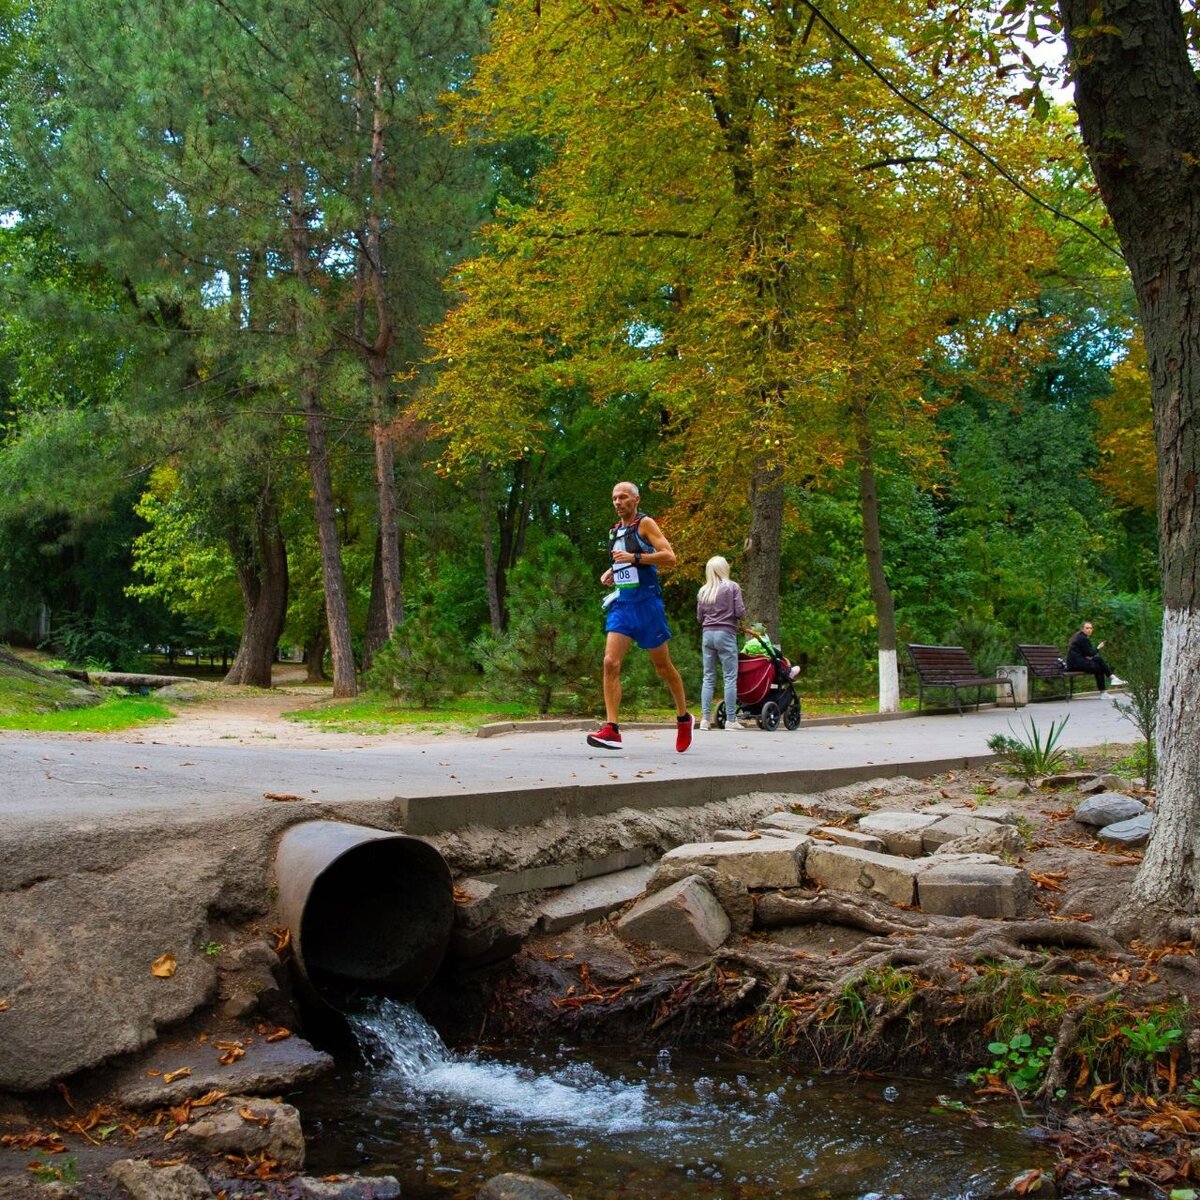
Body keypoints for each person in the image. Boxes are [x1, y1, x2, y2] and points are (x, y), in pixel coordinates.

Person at [587, 481, 693, 752]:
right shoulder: (614, 531)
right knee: (610, 662)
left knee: (663, 668)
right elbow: (623, 563)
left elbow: (670, 557)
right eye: (614, 498)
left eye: (623, 497)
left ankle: (683, 718)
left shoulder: (645, 524)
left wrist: (633, 558)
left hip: (648, 606)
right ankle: (612, 729)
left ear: (636, 500)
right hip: (623, 605)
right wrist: (612, 572)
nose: (617, 502)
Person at [696, 556, 746, 732]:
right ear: (724, 569)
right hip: (726, 633)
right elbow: (740, 611)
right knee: (730, 676)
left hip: (707, 634)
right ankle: (731, 720)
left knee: (708, 677)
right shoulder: (732, 587)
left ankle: (704, 719)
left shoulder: (703, 591)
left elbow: (699, 617)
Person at [1067, 620, 1122, 692]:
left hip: (1077, 663)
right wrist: (1098, 648)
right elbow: (1090, 653)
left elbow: (1086, 653)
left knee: (1098, 659)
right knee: (1099, 667)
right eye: (1087, 628)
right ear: (1082, 629)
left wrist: (1089, 656)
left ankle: (1113, 679)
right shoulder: (1082, 638)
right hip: (1075, 665)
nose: (1089, 630)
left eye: (1091, 628)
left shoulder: (1080, 637)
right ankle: (1108, 685)